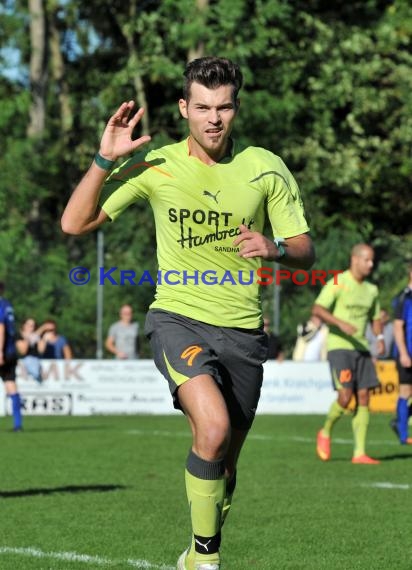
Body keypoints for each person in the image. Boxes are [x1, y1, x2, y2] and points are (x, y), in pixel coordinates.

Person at [61, 56, 315, 570]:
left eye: (223, 107)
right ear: (184, 109)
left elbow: (305, 248)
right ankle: (205, 559)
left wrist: (276, 248)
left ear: (236, 109)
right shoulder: (156, 164)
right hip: (177, 319)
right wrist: (103, 159)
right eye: (202, 107)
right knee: (213, 428)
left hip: (244, 331)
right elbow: (74, 222)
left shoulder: (265, 166)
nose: (213, 118)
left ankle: (195, 550)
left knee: (225, 466)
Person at [313, 244, 384, 465]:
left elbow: (376, 318)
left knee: (364, 396)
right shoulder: (338, 281)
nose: (371, 265)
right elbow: (317, 309)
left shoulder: (372, 290)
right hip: (340, 348)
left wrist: (379, 338)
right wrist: (340, 323)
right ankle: (325, 431)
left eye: (372, 261)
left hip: (362, 348)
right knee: (345, 396)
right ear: (354, 259)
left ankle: (359, 453)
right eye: (367, 260)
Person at [391, 262, 412, 445]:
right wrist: (404, 353)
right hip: (407, 353)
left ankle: (399, 422)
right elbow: (398, 327)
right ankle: (403, 434)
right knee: (405, 391)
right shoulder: (404, 297)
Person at [0, 281, 23, 431]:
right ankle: (17, 424)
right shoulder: (7, 305)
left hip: (3, 351)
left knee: (11, 385)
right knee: (11, 384)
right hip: (10, 351)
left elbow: (0, 328)